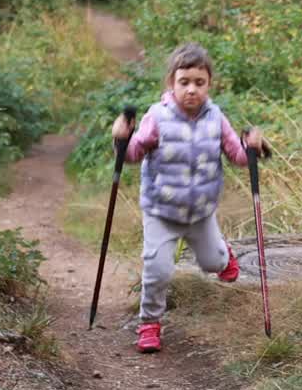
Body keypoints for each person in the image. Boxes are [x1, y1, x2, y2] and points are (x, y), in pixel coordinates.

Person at [111, 43, 266, 353]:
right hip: (161, 210)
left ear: (209, 84)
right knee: (158, 269)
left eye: (199, 82)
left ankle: (225, 253)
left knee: (214, 263)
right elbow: (132, 154)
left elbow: (236, 154)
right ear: (172, 83)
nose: (192, 90)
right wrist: (120, 139)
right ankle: (150, 323)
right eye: (184, 82)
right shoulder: (157, 117)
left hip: (200, 212)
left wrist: (253, 147)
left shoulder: (216, 118)